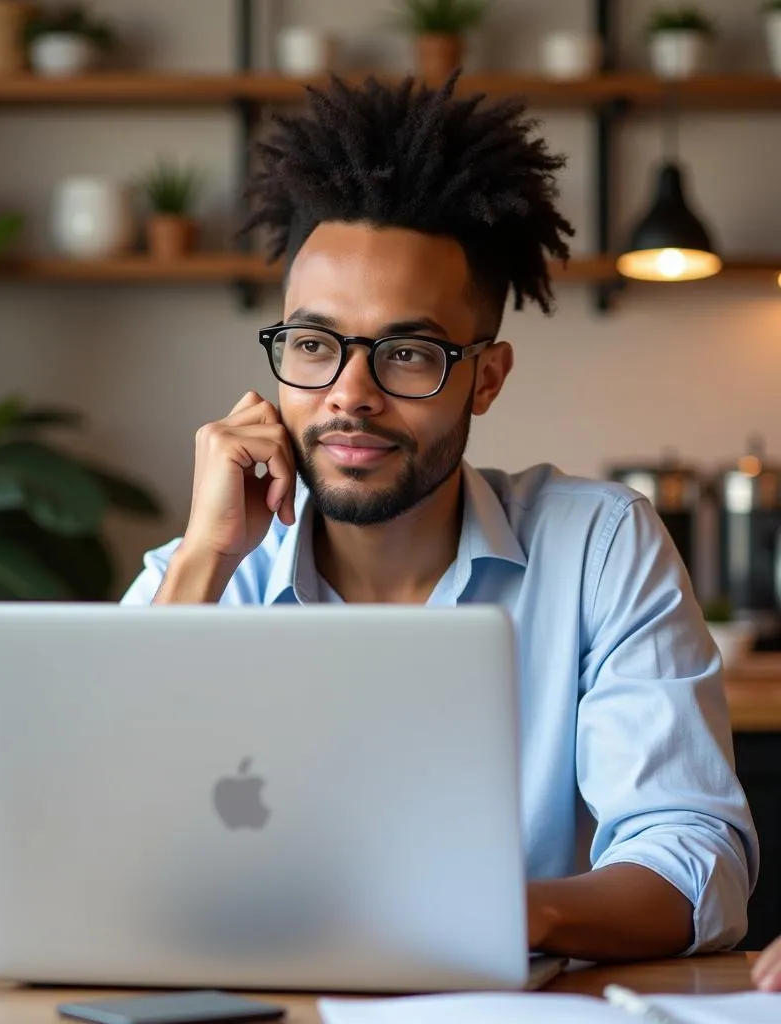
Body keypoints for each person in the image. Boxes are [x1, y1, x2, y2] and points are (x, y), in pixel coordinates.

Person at [120, 73, 758, 963]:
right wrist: (201, 561)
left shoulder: (599, 548)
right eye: (313, 345)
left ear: (485, 379)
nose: (349, 395)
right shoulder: (199, 575)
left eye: (407, 354)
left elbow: (694, 861)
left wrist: (497, 911)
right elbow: (102, 843)